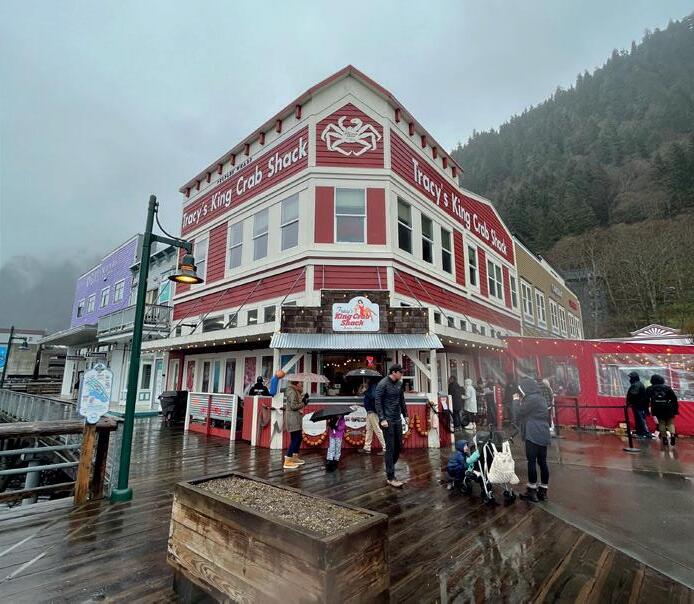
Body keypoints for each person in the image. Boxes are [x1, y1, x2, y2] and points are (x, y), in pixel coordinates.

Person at [517, 378, 551, 502]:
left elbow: (519, 413)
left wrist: (515, 401)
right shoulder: (541, 398)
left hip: (532, 432)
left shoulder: (530, 399)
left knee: (531, 461)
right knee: (543, 462)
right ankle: (543, 491)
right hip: (543, 431)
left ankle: (532, 491)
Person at [375, 364, 408, 488]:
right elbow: (377, 402)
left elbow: (401, 400)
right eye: (400, 372)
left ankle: (389, 467)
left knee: (399, 446)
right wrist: (382, 418)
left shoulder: (399, 384)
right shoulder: (382, 384)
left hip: (397, 418)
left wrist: (405, 414)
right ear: (394, 372)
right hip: (387, 420)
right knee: (390, 448)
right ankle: (391, 477)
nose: (402, 374)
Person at [646, 374, 678, 447]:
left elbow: (646, 400)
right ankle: (672, 435)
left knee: (661, 423)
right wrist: (675, 409)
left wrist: (646, 409)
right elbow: (674, 399)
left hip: (657, 407)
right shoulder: (667, 388)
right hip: (668, 407)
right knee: (670, 423)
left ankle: (664, 438)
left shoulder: (649, 389)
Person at [283, 380, 306, 469]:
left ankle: (294, 457)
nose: (302, 383)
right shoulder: (292, 391)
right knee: (295, 438)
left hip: (295, 417)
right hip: (292, 418)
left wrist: (304, 400)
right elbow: (293, 406)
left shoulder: (296, 391)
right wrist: (304, 403)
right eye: (300, 382)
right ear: (296, 383)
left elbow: (296, 403)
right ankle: (288, 460)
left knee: (298, 437)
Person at [359, 379, 386, 455]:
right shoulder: (371, 387)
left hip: (373, 411)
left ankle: (386, 448)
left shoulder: (374, 386)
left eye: (367, 379)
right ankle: (367, 448)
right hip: (370, 411)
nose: (366, 380)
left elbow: (373, 396)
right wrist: (365, 390)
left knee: (377, 430)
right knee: (369, 430)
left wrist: (365, 392)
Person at [625, 371, 651, 438]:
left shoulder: (636, 385)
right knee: (639, 419)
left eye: (631, 377)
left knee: (640, 419)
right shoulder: (638, 384)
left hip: (639, 405)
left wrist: (629, 402)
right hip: (640, 404)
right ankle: (640, 432)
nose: (630, 379)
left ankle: (645, 433)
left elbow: (633, 394)